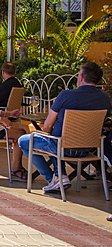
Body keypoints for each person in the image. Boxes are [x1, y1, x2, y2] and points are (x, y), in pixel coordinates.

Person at [18, 61, 112, 193]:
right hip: (89, 148)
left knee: (24, 141)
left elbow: (47, 127)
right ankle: (60, 175)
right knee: (54, 140)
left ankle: (53, 178)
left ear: (81, 77)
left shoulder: (65, 95)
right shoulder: (105, 98)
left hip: (62, 147)